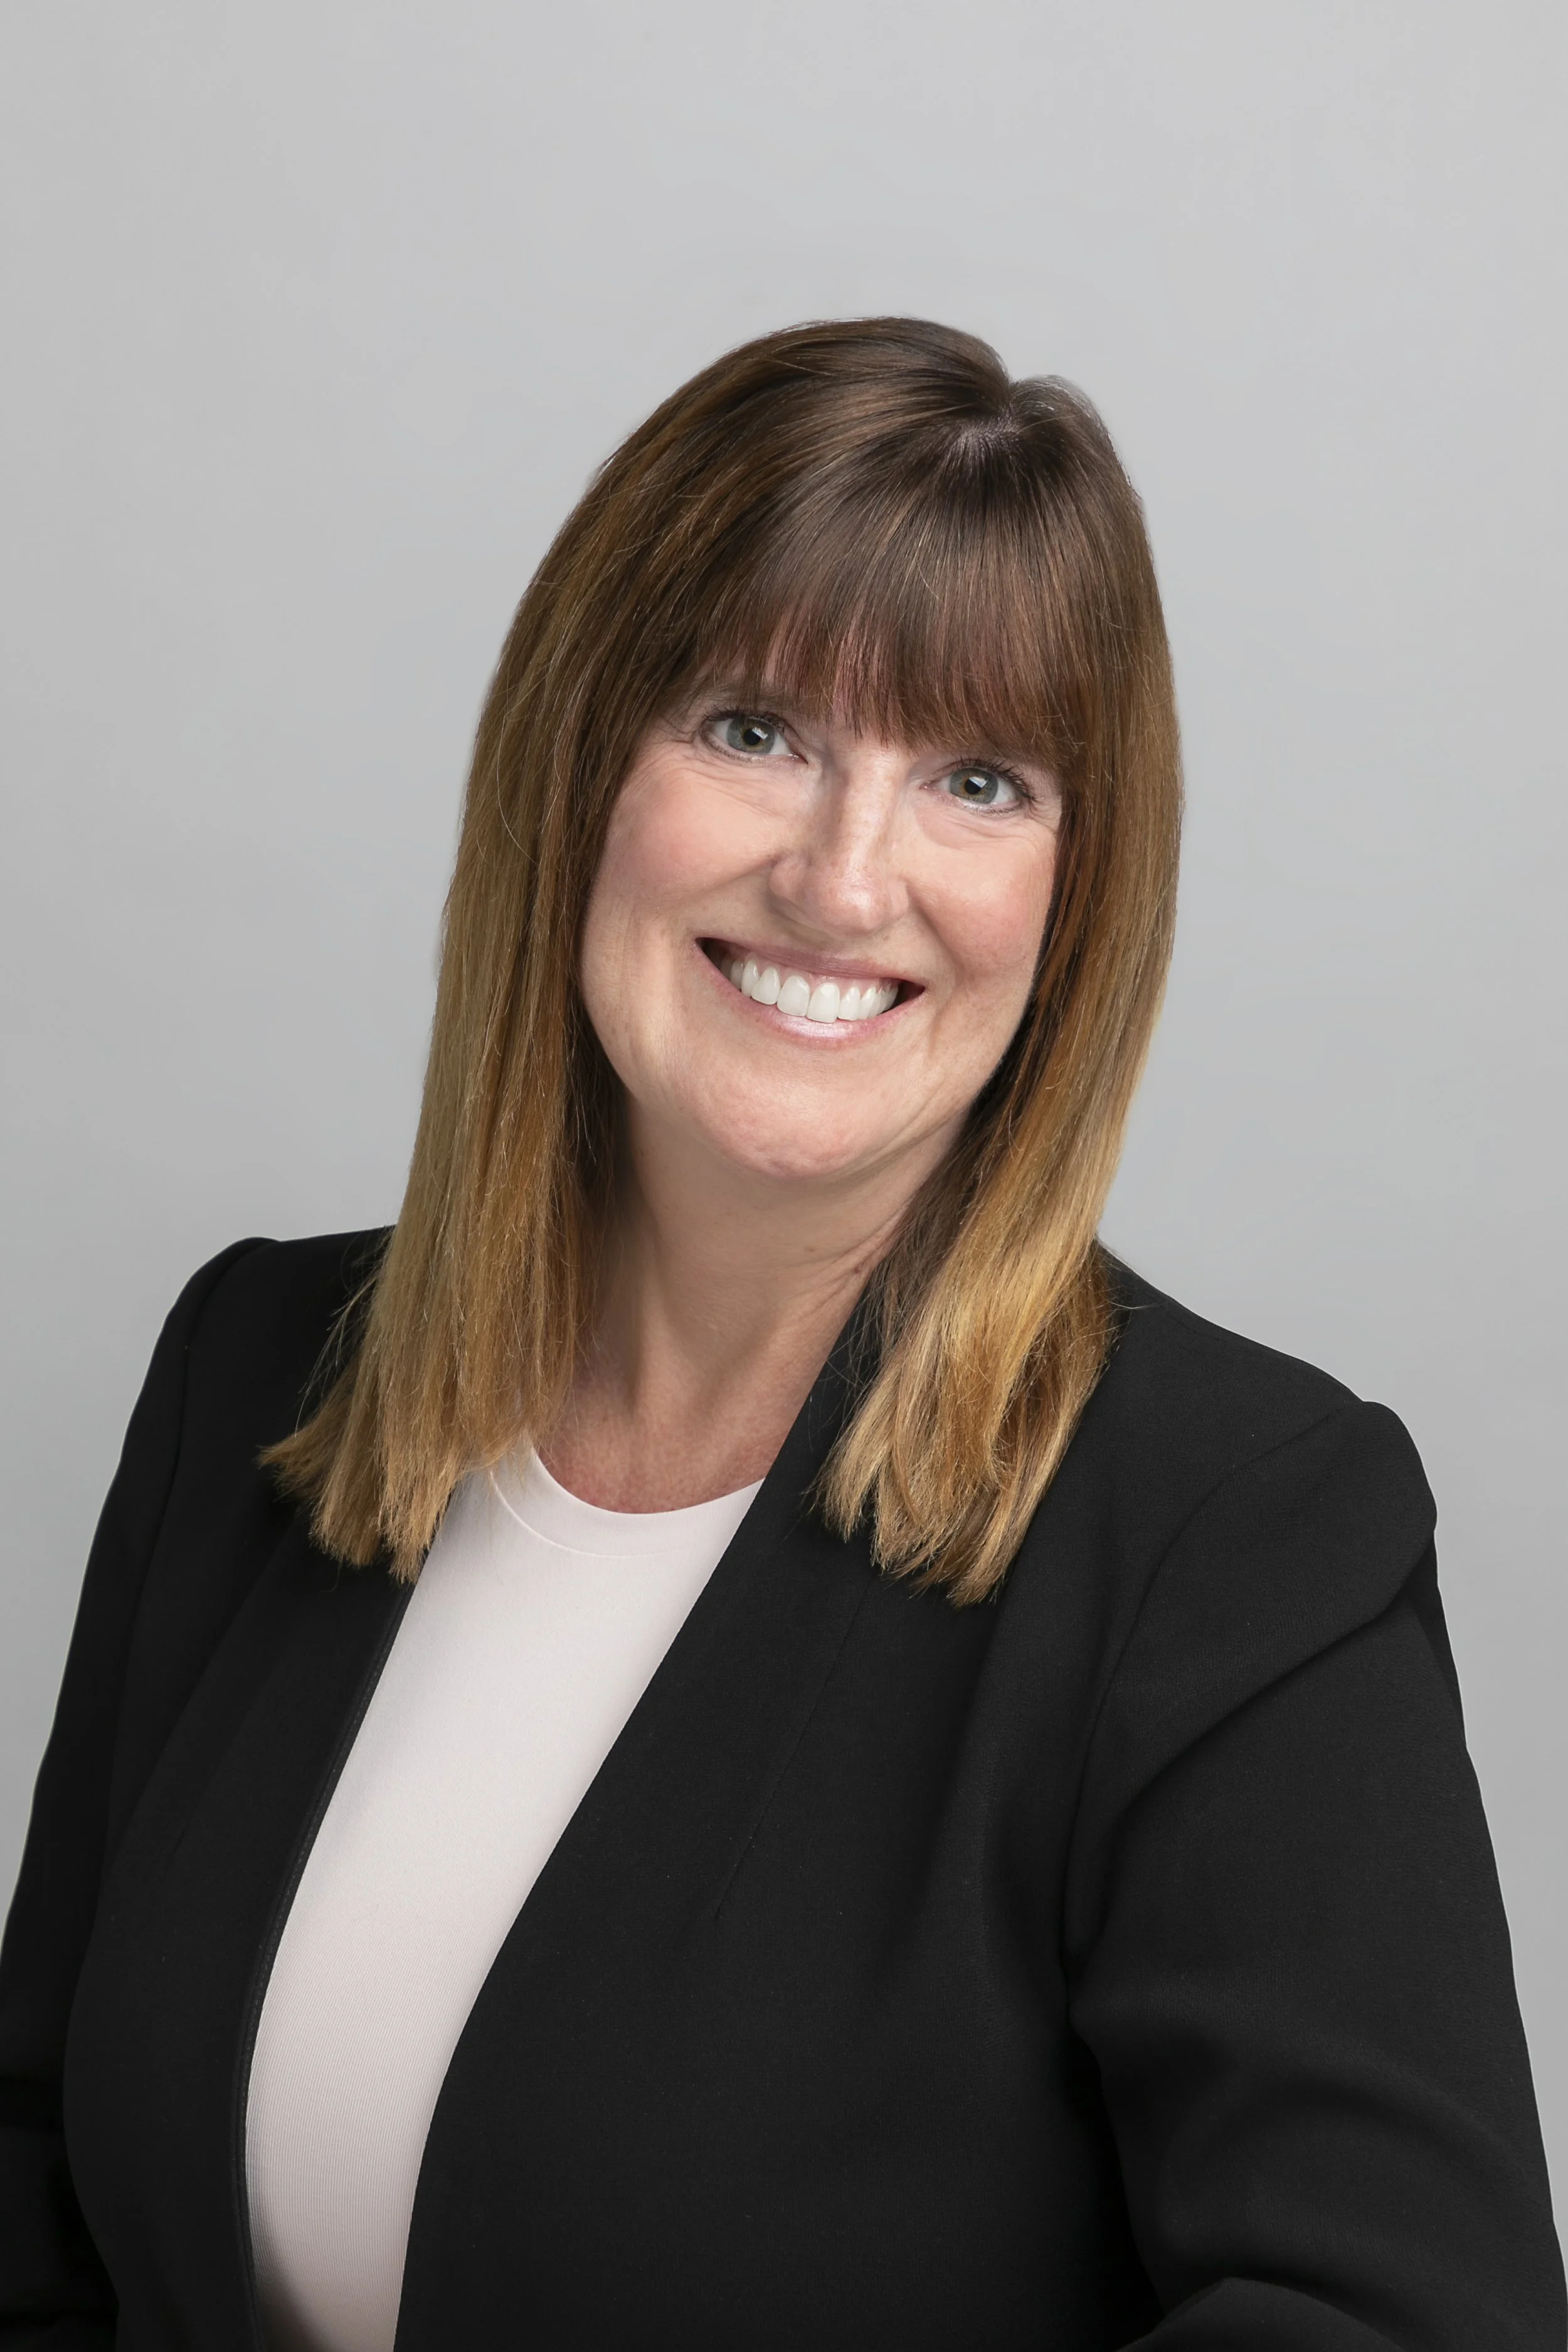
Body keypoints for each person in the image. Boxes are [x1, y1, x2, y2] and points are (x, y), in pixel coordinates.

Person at [0, 317, 1561, 2352]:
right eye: (754, 730)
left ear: (1073, 898)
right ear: (578, 772)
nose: (843, 877)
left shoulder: (1235, 1531)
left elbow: (1401, 2321)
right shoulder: (258, 1369)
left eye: (976, 780)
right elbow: (38, 2197)